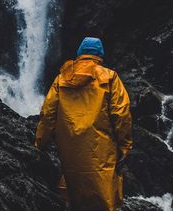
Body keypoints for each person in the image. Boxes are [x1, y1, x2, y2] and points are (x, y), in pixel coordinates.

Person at [35, 37, 133, 211]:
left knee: (72, 193)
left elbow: (48, 113)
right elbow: (121, 114)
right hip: (101, 147)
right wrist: (124, 146)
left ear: (80, 52)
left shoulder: (62, 78)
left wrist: (40, 143)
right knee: (103, 195)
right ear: (100, 55)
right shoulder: (110, 77)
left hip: (69, 147)